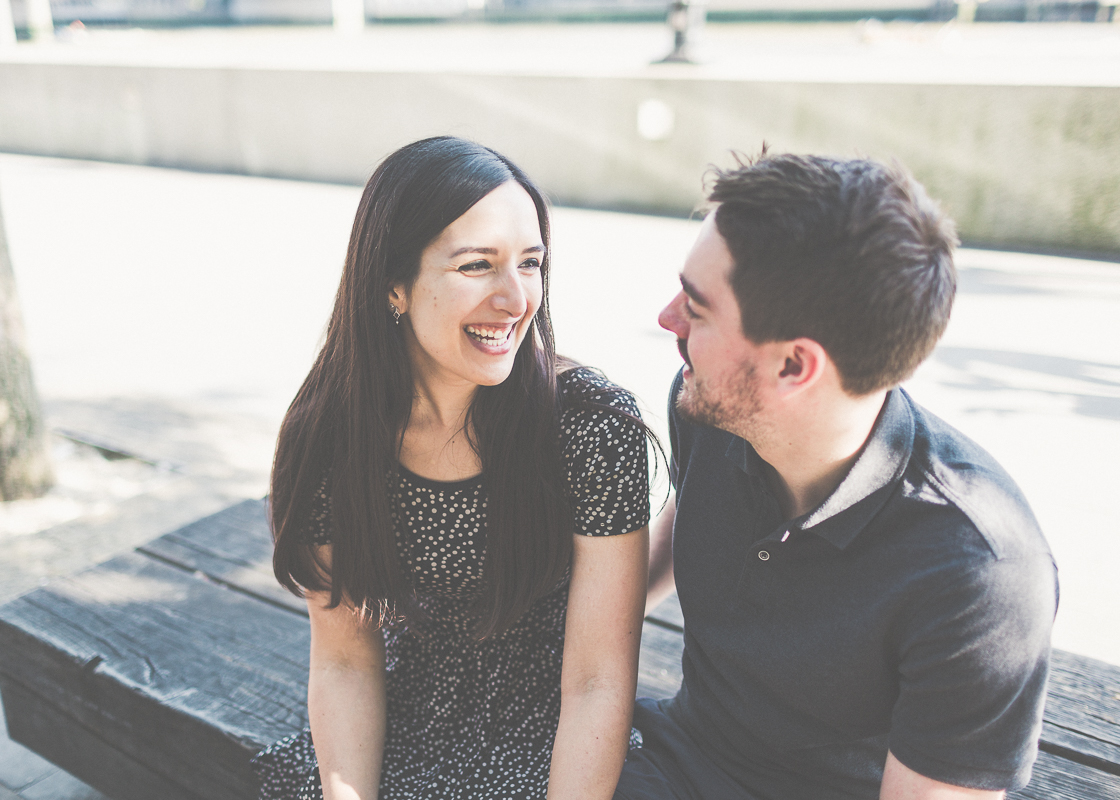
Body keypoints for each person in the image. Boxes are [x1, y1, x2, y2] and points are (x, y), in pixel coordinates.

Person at [617, 153, 1058, 800]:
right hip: (669, 754)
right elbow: (682, 526)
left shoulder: (980, 576)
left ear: (795, 367)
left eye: (697, 307)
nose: (667, 320)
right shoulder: (713, 410)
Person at [252, 136, 653, 800]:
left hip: (559, 732)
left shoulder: (591, 425)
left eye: (530, 263)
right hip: (407, 720)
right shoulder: (329, 436)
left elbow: (597, 682)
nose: (516, 298)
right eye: (477, 266)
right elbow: (347, 660)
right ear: (392, 287)